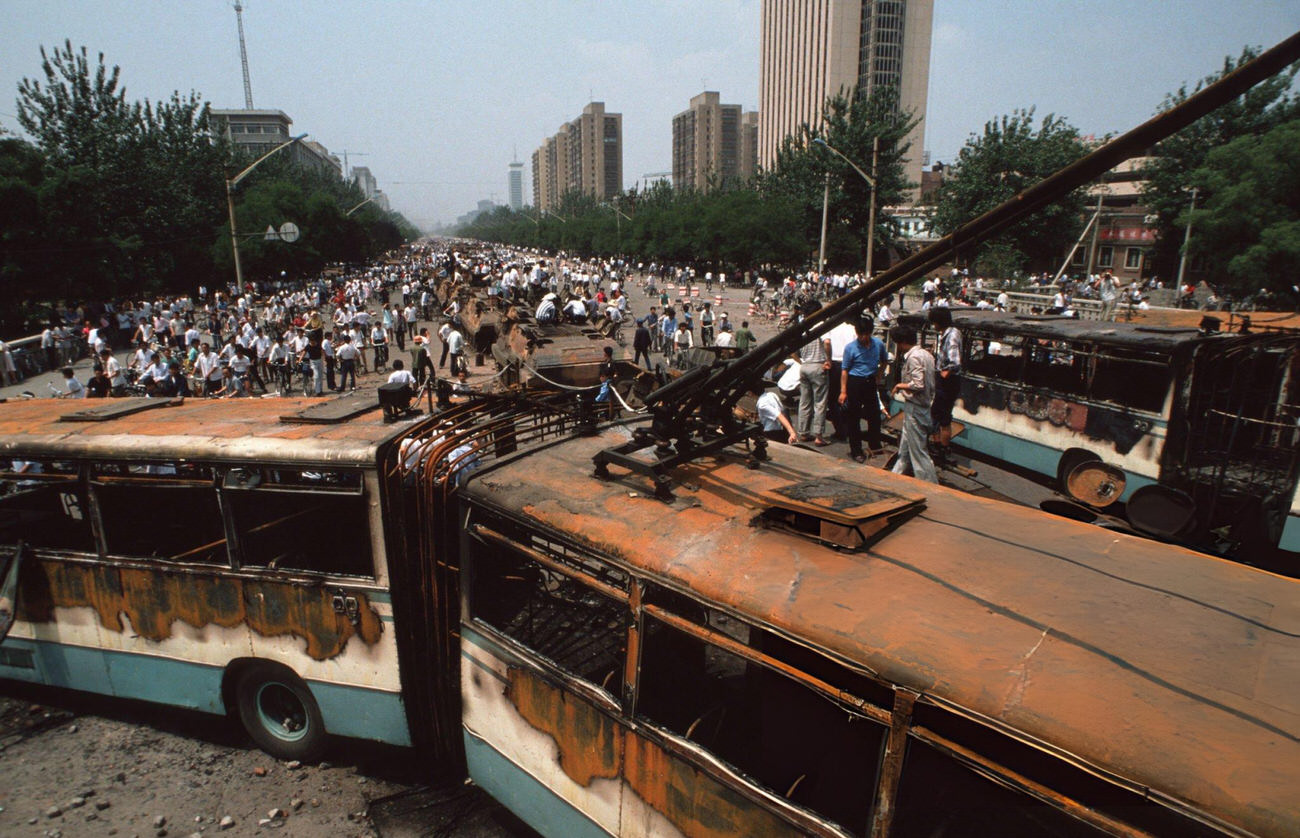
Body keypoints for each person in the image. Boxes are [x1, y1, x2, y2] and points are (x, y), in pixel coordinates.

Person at [890, 327, 938, 483]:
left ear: (902, 342)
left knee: (918, 453)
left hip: (916, 407)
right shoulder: (926, 354)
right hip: (922, 406)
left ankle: (930, 485)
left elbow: (918, 384)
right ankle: (895, 477)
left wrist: (900, 385)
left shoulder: (913, 357)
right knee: (905, 448)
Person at [838, 317, 886, 463]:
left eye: (866, 334)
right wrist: (843, 391)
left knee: (874, 415)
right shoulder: (850, 348)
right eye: (861, 334)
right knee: (854, 417)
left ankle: (874, 444)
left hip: (870, 381)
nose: (863, 337)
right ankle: (856, 450)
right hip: (855, 382)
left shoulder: (878, 344)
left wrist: (879, 375)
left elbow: (884, 361)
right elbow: (845, 370)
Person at [929, 306, 962, 466]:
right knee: (936, 413)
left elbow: (955, 361)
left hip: (948, 382)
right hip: (946, 381)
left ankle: (943, 449)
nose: (933, 325)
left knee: (943, 417)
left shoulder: (952, 335)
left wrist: (944, 373)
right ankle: (938, 446)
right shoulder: (947, 334)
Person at [796, 328, 831, 446]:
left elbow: (794, 350)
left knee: (804, 401)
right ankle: (819, 436)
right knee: (820, 402)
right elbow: (827, 342)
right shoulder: (821, 326)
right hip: (818, 365)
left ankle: (803, 432)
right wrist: (829, 360)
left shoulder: (803, 329)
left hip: (805, 365)